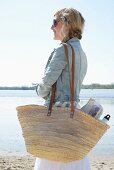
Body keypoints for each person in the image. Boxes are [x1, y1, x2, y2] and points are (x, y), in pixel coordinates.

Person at [34, 8, 91, 170]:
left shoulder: (62, 50)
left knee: (51, 158)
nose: (51, 27)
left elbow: (46, 83)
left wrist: (39, 91)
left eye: (54, 23)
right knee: (73, 156)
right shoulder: (81, 53)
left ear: (66, 23)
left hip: (57, 114)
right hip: (74, 112)